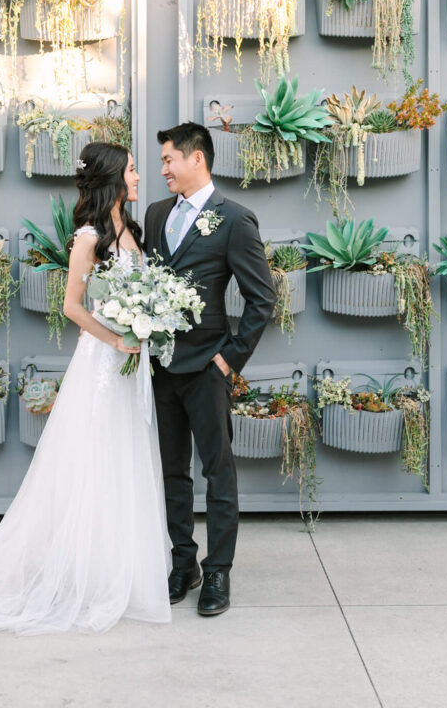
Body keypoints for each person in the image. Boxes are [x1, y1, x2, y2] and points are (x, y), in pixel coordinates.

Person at [0, 143, 171, 635]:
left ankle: (118, 566)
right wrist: (117, 339)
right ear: (112, 177)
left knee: (125, 457)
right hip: (102, 363)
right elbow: (73, 306)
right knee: (93, 461)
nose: (139, 176)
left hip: (129, 362)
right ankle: (82, 573)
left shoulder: (131, 229)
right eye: (132, 170)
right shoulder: (89, 237)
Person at [144, 122, 276, 617]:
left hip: (207, 369)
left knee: (218, 472)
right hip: (162, 367)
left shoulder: (234, 219)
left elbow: (262, 299)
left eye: (168, 159)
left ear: (196, 158)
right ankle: (184, 563)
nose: (163, 169)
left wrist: (228, 360)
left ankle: (218, 571)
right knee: (172, 471)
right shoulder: (156, 214)